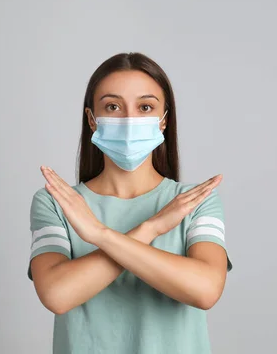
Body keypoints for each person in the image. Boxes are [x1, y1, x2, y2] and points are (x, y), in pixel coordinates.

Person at [28, 52, 233, 354]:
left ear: (164, 121)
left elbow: (205, 291)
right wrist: (151, 229)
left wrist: (100, 235)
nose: (128, 119)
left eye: (145, 107)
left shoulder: (194, 202)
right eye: (112, 106)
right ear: (91, 119)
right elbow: (57, 295)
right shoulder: (57, 202)